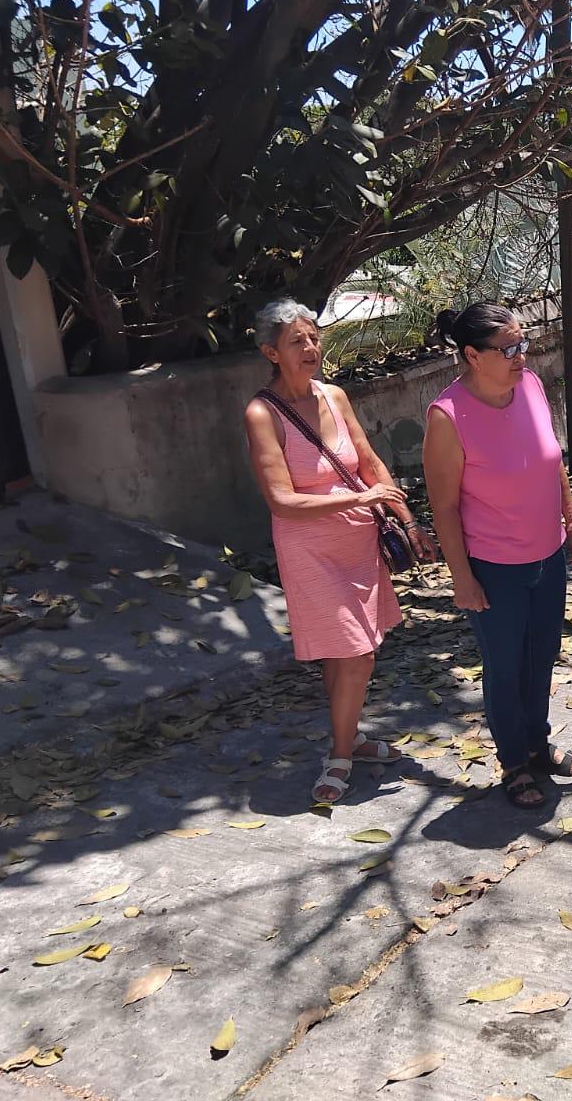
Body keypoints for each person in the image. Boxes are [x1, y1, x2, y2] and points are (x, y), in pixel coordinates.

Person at [243, 299, 436, 805]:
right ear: (271, 352)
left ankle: (350, 738)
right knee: (355, 651)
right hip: (310, 550)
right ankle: (342, 755)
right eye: (296, 342)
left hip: (359, 542)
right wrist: (359, 498)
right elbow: (281, 500)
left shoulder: (334, 395)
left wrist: (408, 521)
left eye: (314, 337)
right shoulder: (262, 413)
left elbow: (369, 462)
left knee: (346, 652)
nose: (310, 348)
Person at [423, 303, 572, 810]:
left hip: (549, 554)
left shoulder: (532, 387)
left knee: (542, 658)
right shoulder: (447, 416)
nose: (523, 355)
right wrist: (462, 579)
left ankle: (538, 745)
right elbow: (445, 509)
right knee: (505, 667)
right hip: (494, 567)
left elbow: (552, 459)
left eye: (525, 342)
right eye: (510, 348)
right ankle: (514, 762)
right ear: (472, 355)